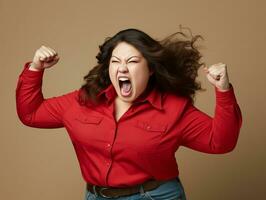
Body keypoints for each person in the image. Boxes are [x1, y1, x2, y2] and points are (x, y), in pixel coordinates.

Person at [16, 28, 242, 200]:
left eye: (132, 61)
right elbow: (31, 114)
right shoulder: (82, 100)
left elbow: (220, 142)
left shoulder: (174, 108)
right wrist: (35, 68)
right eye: (116, 61)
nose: (122, 68)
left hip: (154, 196)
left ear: (150, 68)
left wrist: (223, 91)